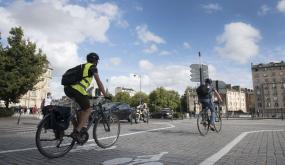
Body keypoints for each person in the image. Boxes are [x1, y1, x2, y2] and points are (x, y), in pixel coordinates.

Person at [64, 52, 107, 141]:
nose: (97, 63)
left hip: (67, 89)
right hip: (77, 90)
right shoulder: (92, 67)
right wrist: (105, 94)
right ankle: (77, 132)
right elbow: (98, 82)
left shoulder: (82, 66)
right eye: (97, 61)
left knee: (79, 111)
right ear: (95, 61)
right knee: (88, 109)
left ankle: (77, 131)